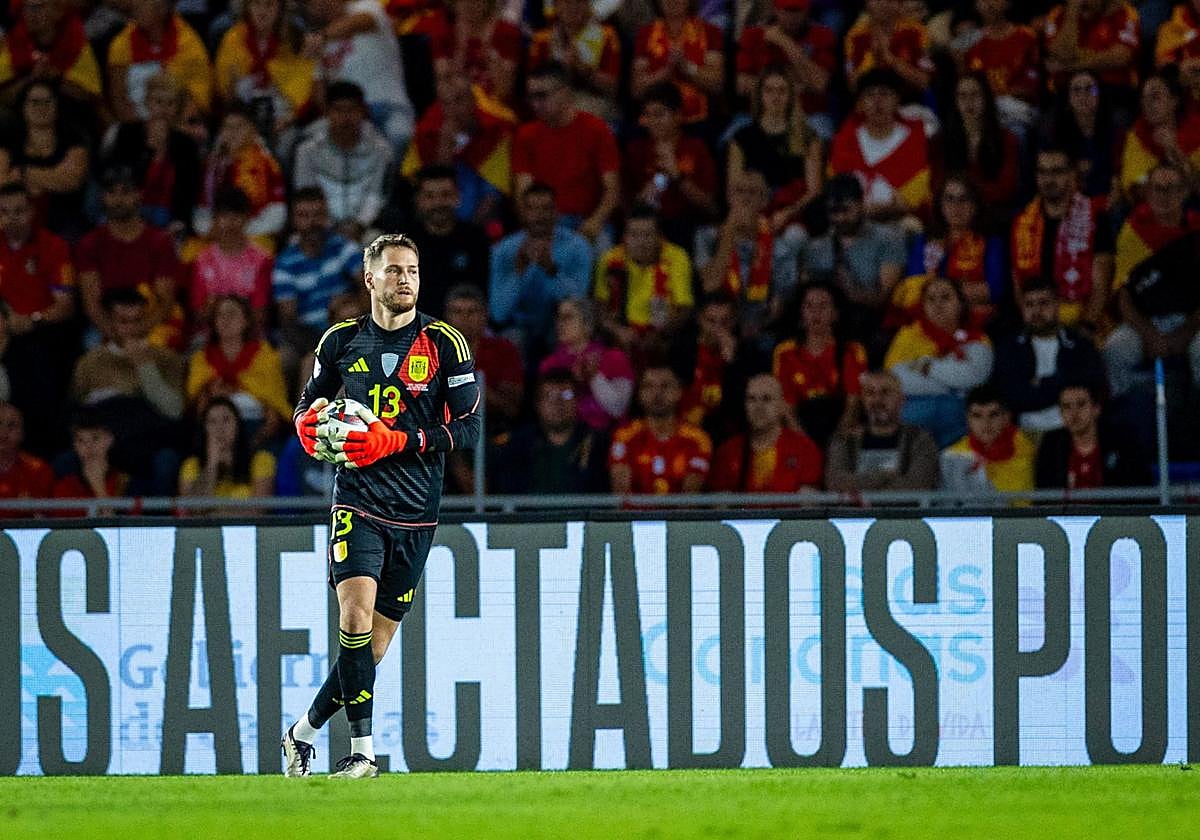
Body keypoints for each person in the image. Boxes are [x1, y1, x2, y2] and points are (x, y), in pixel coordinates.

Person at [283, 232, 482, 779]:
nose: (405, 280)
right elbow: (306, 408)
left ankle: (301, 732)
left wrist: (396, 441)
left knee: (370, 648)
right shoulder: (340, 341)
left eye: (413, 271)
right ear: (370, 279)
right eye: (394, 271)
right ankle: (364, 753)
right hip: (359, 499)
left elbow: (470, 428)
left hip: (418, 510)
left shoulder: (445, 344)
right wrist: (306, 427)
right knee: (353, 615)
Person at [0, 183, 77, 455]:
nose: (11, 219)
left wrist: (32, 319)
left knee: (33, 361)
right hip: (3, 334)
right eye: (4, 212)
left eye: (19, 211)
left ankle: (41, 454)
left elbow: (65, 306)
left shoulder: (53, 246)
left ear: (32, 211)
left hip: (41, 335)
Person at [512, 62, 620, 243]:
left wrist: (594, 222)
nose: (535, 104)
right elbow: (523, 194)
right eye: (531, 97)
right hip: (544, 223)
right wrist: (538, 229)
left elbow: (612, 190)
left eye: (542, 96)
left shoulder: (597, 130)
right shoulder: (525, 135)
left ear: (565, 92)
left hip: (587, 222)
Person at [76, 165, 182, 348]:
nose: (118, 200)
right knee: (93, 347)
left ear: (139, 194)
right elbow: (92, 305)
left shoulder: (159, 242)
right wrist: (118, 337)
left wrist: (137, 335)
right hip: (108, 327)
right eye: (111, 193)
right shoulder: (90, 244)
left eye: (126, 192)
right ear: (102, 196)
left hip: (150, 324)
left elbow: (165, 303)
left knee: (156, 354)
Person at [1011, 145, 1115, 331]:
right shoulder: (1023, 223)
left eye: (1056, 171)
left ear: (1072, 174)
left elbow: (1101, 285)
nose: (1048, 179)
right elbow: (1018, 283)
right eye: (1042, 172)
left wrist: (1085, 328)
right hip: (1035, 322)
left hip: (1083, 321)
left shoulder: (1094, 217)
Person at [399, 66, 516, 231]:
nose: (453, 109)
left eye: (459, 100)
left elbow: (492, 198)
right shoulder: (425, 134)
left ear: (474, 101)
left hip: (480, 228)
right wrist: (444, 151)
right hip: (434, 227)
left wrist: (466, 234)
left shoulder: (495, 133)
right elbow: (420, 195)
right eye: (446, 103)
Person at [885, 275, 993, 447]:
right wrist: (952, 386)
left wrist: (926, 367)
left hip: (960, 418)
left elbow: (974, 377)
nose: (937, 305)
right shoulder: (908, 335)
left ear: (960, 303)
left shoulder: (977, 338)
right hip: (914, 415)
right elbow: (894, 380)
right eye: (931, 299)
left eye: (945, 297)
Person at [695, 169, 801, 341]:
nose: (745, 199)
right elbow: (711, 285)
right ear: (729, 197)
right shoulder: (706, 237)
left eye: (752, 192)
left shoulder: (781, 248)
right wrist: (730, 232)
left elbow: (778, 307)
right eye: (739, 191)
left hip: (761, 331)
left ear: (764, 200)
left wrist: (752, 329)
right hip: (715, 330)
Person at [799, 173, 906, 342]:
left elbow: (883, 298)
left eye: (846, 210)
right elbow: (805, 292)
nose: (840, 218)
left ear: (861, 204)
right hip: (824, 322)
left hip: (870, 322)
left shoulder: (888, 239)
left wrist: (851, 291)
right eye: (834, 212)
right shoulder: (816, 247)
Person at [992, 277, 1107, 434]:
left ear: (1057, 304)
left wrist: (1040, 384)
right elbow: (1014, 399)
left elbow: (1093, 391)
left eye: (1044, 303)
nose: (1036, 311)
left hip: (1073, 431)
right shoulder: (1008, 347)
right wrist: (1062, 381)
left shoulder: (1081, 345)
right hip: (1025, 434)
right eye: (1029, 304)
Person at [488, 183, 593, 355]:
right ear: (522, 212)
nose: (539, 216)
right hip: (519, 327)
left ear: (556, 211)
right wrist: (518, 274)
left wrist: (552, 271)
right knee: (510, 340)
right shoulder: (503, 251)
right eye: (533, 209)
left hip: (559, 325)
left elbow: (579, 304)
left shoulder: (578, 247)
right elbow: (499, 313)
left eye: (546, 208)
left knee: (569, 335)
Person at [828, 67, 932, 227]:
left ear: (898, 100)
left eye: (884, 93)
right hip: (848, 223)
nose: (877, 101)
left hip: (897, 220)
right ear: (861, 103)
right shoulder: (845, 138)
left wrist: (885, 210)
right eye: (870, 95)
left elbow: (918, 198)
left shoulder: (915, 139)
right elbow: (834, 188)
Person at [899, 175, 1007, 329]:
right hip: (927, 320)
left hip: (976, 322)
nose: (956, 206)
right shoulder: (925, 240)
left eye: (964, 199)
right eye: (949, 199)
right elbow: (915, 287)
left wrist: (940, 293)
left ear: (975, 204)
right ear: (940, 204)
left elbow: (993, 289)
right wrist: (963, 291)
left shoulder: (990, 242)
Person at [306, 0, 416, 149]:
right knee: (309, 141)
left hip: (388, 107)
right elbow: (319, 91)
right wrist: (332, 115)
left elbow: (362, 22)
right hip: (349, 114)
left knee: (398, 134)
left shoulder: (365, 7)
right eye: (316, 3)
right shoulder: (322, 43)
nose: (324, 4)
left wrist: (322, 37)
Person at [101, 72, 201, 234]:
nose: (164, 109)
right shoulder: (126, 134)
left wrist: (179, 221)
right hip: (126, 212)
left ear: (177, 108)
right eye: (158, 102)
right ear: (147, 103)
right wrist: (149, 151)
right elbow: (121, 180)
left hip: (168, 217)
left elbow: (188, 192)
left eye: (170, 103)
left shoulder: (186, 144)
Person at [727, 68, 824, 233]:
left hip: (794, 216)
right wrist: (753, 217)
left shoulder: (808, 136)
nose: (775, 96)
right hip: (752, 213)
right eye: (769, 90)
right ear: (760, 95)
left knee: (795, 236)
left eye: (782, 90)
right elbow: (733, 188)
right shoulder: (741, 139)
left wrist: (787, 213)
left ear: (790, 96)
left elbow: (814, 190)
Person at [186, 295, 292, 447]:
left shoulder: (264, 355)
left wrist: (254, 442)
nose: (225, 320)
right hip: (213, 434)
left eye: (232, 314)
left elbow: (274, 408)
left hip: (257, 428)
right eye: (220, 315)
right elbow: (197, 407)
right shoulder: (201, 359)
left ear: (246, 320)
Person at [772, 283, 868, 447]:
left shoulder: (853, 350)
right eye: (809, 306)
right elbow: (787, 409)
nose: (816, 312)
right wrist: (806, 444)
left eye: (823, 306)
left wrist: (836, 443)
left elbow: (853, 405)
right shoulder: (785, 352)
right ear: (801, 313)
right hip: (801, 430)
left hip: (841, 430)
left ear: (835, 314)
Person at [624, 82, 718, 246]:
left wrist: (678, 176)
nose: (653, 121)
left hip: (689, 227)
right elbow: (626, 206)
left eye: (659, 114)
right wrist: (644, 197)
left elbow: (711, 207)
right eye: (648, 115)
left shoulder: (696, 148)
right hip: (647, 227)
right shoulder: (635, 150)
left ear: (677, 115)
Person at [594, 205, 693, 356]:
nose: (641, 242)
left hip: (664, 337)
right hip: (621, 336)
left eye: (648, 235)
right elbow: (600, 308)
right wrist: (618, 330)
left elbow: (684, 309)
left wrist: (660, 334)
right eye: (634, 235)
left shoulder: (676, 257)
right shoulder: (609, 260)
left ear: (659, 237)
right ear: (625, 237)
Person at [491, 368, 610, 494]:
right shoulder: (517, 446)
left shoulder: (598, 444)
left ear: (577, 400)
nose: (558, 403)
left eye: (566, 395)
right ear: (537, 404)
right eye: (549, 395)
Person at [214, 0, 316, 147]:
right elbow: (226, 95)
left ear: (279, 8)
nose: (262, 11)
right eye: (256, 4)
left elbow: (303, 87)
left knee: (285, 146)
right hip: (243, 115)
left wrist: (286, 120)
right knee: (221, 145)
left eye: (269, 5)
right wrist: (232, 86)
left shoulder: (294, 39)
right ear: (247, 7)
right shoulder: (233, 38)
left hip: (282, 117)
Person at [273, 187, 363, 349]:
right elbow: (289, 319)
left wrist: (351, 300)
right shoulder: (285, 263)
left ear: (327, 216)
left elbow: (371, 287)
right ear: (293, 220)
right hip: (308, 339)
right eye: (304, 216)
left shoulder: (342, 247)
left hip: (347, 326)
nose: (312, 222)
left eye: (318, 215)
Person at [0, 80, 91, 238]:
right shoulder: (8, 143)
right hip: (15, 218)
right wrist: (51, 176)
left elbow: (71, 180)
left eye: (47, 101)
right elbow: (2, 182)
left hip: (65, 219)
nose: (41, 107)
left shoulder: (74, 140)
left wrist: (23, 174)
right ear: (23, 107)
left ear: (57, 106)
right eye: (34, 102)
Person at [824, 369, 940, 492]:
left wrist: (860, 486)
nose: (877, 400)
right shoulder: (844, 440)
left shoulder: (921, 440)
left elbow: (918, 485)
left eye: (885, 392)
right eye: (870, 393)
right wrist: (884, 476)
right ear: (862, 400)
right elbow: (836, 483)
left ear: (902, 400)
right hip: (854, 512)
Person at [735, 0, 837, 137]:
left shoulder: (822, 35)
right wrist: (798, 85)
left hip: (809, 114)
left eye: (797, 11)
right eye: (787, 10)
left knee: (824, 135)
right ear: (775, 10)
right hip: (759, 115)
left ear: (807, 10)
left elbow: (820, 84)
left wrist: (786, 43)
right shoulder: (753, 35)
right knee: (727, 141)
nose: (792, 17)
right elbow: (743, 85)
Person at [709, 373, 823, 493]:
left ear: (782, 406)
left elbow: (808, 507)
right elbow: (721, 507)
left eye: (767, 399)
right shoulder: (727, 451)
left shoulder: (805, 449)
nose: (759, 407)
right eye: (751, 399)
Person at [935, 71, 1022, 228]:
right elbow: (938, 183)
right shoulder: (941, 140)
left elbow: (1007, 187)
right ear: (955, 101)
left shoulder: (1007, 139)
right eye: (962, 96)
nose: (969, 102)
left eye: (975, 94)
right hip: (952, 213)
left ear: (986, 99)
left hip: (993, 212)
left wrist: (968, 197)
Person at [609, 363, 712, 495]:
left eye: (665, 386)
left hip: (677, 516)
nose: (657, 393)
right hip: (636, 515)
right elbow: (621, 493)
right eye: (649, 386)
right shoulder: (624, 436)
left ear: (679, 392)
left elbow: (689, 499)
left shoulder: (697, 439)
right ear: (640, 394)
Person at [193, 104, 287, 246]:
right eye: (227, 127)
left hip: (254, 235)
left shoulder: (267, 164)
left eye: (239, 127)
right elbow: (201, 211)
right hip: (217, 235)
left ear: (252, 130)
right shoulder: (211, 166)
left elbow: (278, 212)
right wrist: (210, 230)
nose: (232, 133)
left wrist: (240, 232)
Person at [406, 166, 491, 319]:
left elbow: (483, 292)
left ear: (458, 197)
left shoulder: (475, 239)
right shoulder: (403, 243)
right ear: (418, 201)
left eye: (445, 195)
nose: (438, 203)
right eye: (430, 196)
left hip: (466, 326)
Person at [539, 297, 635, 431]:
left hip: (610, 437)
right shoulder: (550, 365)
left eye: (567, 317)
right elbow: (549, 411)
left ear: (588, 324)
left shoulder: (614, 358)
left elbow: (618, 409)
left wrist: (594, 377)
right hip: (567, 437)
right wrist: (573, 382)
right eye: (558, 318)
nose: (560, 323)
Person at [106, 0, 212, 121]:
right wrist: (139, 129)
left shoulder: (188, 43)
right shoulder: (122, 42)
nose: (134, 6)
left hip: (178, 122)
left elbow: (197, 100)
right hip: (134, 123)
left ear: (162, 9)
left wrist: (171, 130)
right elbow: (119, 98)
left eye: (143, 3)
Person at [1035, 382, 1149, 489]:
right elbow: (1043, 493)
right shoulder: (1051, 443)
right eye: (1066, 406)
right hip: (1067, 510)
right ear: (1060, 412)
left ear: (1096, 408)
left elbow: (1139, 487)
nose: (1074, 413)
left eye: (1081, 404)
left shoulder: (1123, 440)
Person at [189, 188, 274, 329]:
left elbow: (260, 315)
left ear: (247, 218)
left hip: (250, 337)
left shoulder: (262, 260)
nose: (230, 223)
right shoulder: (201, 261)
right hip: (209, 337)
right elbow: (198, 314)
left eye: (237, 216)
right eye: (224, 216)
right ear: (215, 219)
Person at [631, 0, 723, 126]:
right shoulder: (645, 34)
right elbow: (637, 89)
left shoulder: (710, 32)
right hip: (653, 122)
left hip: (698, 119)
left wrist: (687, 67)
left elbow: (716, 83)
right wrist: (666, 71)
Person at [526, 0, 621, 121]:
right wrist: (558, 68)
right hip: (549, 100)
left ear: (588, 5)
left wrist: (582, 68)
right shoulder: (542, 38)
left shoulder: (607, 35)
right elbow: (531, 84)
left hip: (592, 100)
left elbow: (612, 88)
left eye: (578, 2)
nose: (572, 7)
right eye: (566, 2)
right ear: (556, 6)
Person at [1113, 163, 1200, 296]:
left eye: (1171, 188)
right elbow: (1124, 289)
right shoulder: (1134, 229)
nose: (1163, 195)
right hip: (1144, 309)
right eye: (1157, 188)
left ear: (1184, 192)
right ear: (1147, 192)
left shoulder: (1196, 226)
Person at [1118, 68, 1200, 204]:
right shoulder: (1137, 134)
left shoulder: (1197, 129)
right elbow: (1136, 187)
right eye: (1144, 98)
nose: (1147, 104)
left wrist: (1175, 151)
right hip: (1153, 210)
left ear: (1174, 100)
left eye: (1155, 97)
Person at [0, 0, 103, 105]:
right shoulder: (14, 41)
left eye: (38, 7)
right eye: (25, 7)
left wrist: (54, 77)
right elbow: (3, 95)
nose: (29, 13)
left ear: (58, 11)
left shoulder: (77, 41)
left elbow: (92, 97)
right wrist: (31, 78)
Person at [939, 384, 1036, 494]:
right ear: (967, 419)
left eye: (993, 415)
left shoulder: (1027, 451)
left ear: (1006, 418)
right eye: (977, 416)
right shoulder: (952, 456)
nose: (986, 423)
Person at [178, 396, 276, 501]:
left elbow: (257, 512)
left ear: (238, 426)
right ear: (204, 429)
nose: (220, 428)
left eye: (226, 419)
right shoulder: (191, 466)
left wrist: (210, 514)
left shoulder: (261, 460)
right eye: (212, 421)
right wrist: (212, 464)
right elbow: (193, 510)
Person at [961, 0, 1039, 132]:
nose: (989, 4)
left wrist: (1002, 95)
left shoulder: (1026, 35)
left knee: (1016, 131)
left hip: (1019, 109)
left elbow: (1033, 85)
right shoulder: (968, 39)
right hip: (982, 109)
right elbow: (964, 83)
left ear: (1008, 3)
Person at [429, 0, 521, 105]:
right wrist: (460, 51)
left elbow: (504, 91)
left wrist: (491, 58)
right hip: (455, 105)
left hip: (495, 106)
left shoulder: (507, 32)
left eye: (476, 1)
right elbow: (443, 85)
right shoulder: (443, 33)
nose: (469, 4)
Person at [1043, 0, 1141, 98]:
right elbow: (1062, 54)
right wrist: (1072, 13)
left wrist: (1068, 67)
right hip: (1066, 90)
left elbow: (1120, 58)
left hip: (1112, 90)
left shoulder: (1123, 12)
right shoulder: (1058, 14)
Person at [842, 0, 934, 92]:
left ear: (899, 5)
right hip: (869, 98)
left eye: (889, 0)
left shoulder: (916, 31)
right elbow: (852, 85)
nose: (883, 4)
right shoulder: (855, 36)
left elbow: (924, 81)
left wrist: (890, 59)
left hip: (908, 98)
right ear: (866, 4)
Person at [51, 410, 129, 515]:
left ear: (110, 440)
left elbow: (115, 529)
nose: (88, 447)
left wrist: (99, 487)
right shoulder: (65, 487)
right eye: (80, 441)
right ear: (74, 445)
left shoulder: (126, 484)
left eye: (95, 438)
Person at [0, 401, 54, 510]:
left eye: (12, 426)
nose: (3, 432)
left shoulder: (39, 470)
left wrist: (32, 509)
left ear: (22, 432)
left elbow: (46, 517)